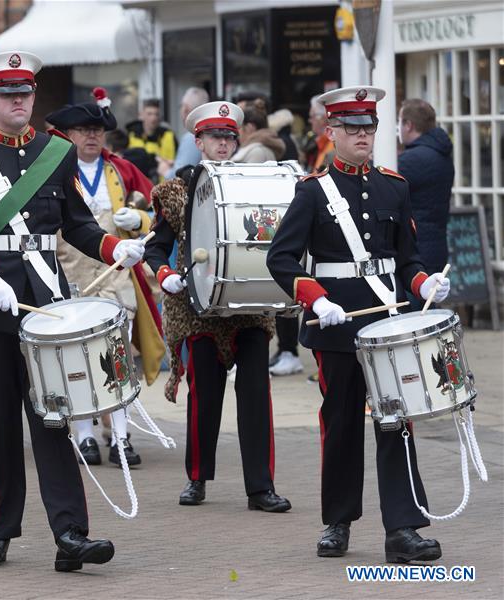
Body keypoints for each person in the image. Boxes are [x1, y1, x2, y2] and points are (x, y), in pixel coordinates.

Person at [0, 50, 147, 571]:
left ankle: (71, 533)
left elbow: (75, 224)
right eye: (7, 95)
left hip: (45, 302)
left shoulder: (56, 151)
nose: (18, 102)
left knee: (55, 417)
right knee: (0, 424)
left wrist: (114, 248)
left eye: (24, 93)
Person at [266, 86, 451, 562]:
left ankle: (404, 528)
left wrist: (424, 281)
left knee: (397, 423)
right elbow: (282, 258)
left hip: (388, 321)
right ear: (332, 133)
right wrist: (315, 297)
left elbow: (406, 259)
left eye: (368, 127)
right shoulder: (312, 192)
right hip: (338, 324)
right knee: (342, 423)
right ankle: (338, 521)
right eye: (352, 128)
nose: (363, 135)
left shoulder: (395, 185)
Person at [144, 101, 292, 514]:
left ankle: (260, 487)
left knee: (255, 395)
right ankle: (197, 477)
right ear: (199, 141)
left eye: (229, 137)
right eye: (215, 138)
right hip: (199, 304)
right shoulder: (177, 189)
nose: (224, 144)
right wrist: (163, 272)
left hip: (250, 302)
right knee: (204, 395)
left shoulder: (256, 182)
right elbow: (156, 246)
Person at [45, 87, 164, 467]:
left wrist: (140, 220)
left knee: (119, 359)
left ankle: (121, 436)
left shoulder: (122, 170)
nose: (92, 136)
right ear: (68, 134)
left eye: (97, 130)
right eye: (83, 130)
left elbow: (161, 216)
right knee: (74, 360)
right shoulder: (52, 170)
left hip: (116, 280)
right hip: (69, 275)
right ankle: (83, 436)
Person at [268, 107, 305, 377]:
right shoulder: (285, 142)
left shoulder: (268, 148)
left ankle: (289, 351)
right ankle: (287, 350)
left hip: (279, 218)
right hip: (280, 218)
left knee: (285, 291)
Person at [397, 99, 453, 276]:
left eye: (399, 121)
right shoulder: (439, 153)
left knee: (415, 303)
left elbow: (381, 181)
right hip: (435, 246)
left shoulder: (414, 159)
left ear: (409, 125)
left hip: (417, 253)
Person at [166, 87, 210, 179]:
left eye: (181, 106)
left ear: (186, 109)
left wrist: (165, 171)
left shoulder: (192, 137)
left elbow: (179, 178)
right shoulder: (208, 132)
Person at [126, 98, 177, 169]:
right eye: (149, 114)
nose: (153, 118)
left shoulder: (169, 135)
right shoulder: (130, 135)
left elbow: (177, 162)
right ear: (141, 115)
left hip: (165, 179)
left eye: (156, 114)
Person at [303, 94, 334, 173]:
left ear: (323, 119)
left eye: (312, 116)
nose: (309, 120)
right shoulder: (319, 144)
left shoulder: (333, 146)